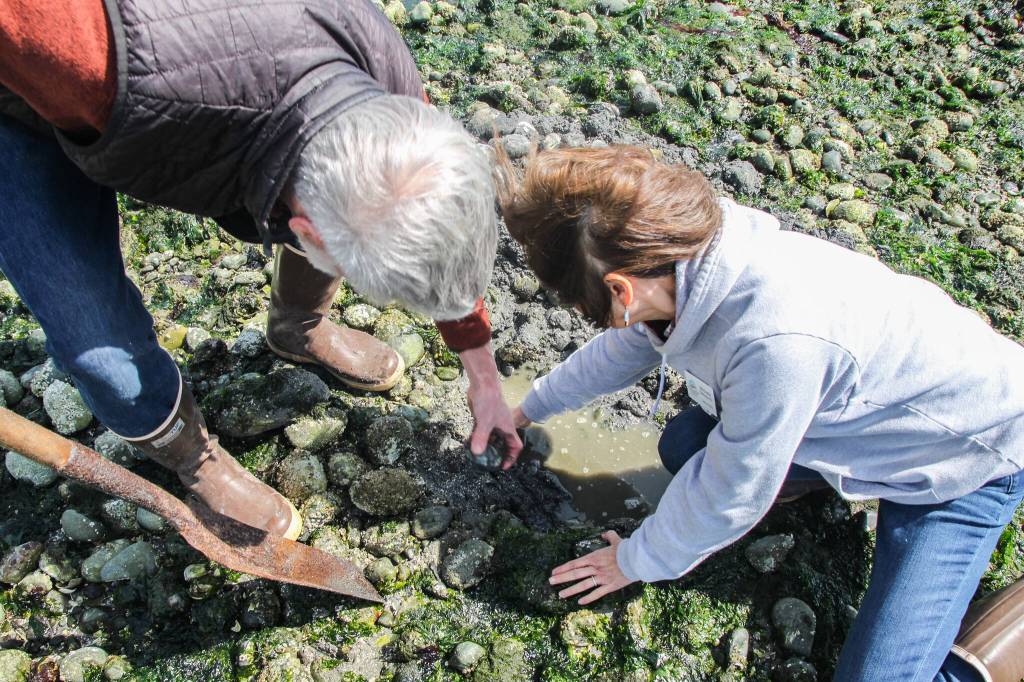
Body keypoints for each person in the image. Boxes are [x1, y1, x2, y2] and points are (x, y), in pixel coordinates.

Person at [498, 145, 1024, 681]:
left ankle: (1002, 641)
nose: (592, 319)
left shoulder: (775, 341)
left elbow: (733, 492)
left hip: (963, 457)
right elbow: (624, 348)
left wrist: (633, 560)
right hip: (860, 415)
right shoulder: (682, 256)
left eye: (588, 309)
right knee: (683, 447)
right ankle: (819, 475)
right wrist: (525, 410)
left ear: (621, 290)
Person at [0, 0, 521, 541]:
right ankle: (194, 460)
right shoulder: (80, 46)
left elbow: (440, 245)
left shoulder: (390, 82)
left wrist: (482, 376)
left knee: (354, 210)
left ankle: (299, 327)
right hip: (28, 105)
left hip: (208, 112)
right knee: (96, 343)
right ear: (307, 232)